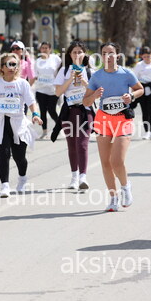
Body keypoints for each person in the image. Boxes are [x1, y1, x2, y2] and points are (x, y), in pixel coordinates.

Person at [83, 42, 144, 212]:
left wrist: (131, 96)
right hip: (103, 120)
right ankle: (113, 198)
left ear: (117, 55)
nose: (107, 56)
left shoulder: (126, 73)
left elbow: (140, 89)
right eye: (104, 53)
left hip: (123, 119)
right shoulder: (96, 76)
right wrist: (95, 95)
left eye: (111, 53)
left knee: (117, 161)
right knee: (105, 163)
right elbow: (86, 101)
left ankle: (125, 187)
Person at [0, 54, 43, 198]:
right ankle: (5, 186)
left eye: (15, 65)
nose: (12, 67)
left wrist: (35, 114)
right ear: (2, 68)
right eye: (9, 64)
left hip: (18, 123)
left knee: (19, 157)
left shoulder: (23, 84)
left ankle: (22, 178)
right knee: (3, 154)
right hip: (1, 122)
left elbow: (31, 101)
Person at [52, 40, 96, 189]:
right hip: (69, 111)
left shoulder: (89, 71)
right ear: (70, 55)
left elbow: (95, 91)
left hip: (85, 111)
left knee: (82, 144)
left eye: (80, 52)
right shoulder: (64, 71)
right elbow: (58, 92)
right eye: (74, 52)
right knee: (72, 145)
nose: (77, 55)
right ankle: (74, 177)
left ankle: (83, 177)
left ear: (85, 54)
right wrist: (70, 78)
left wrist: (83, 80)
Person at [33, 41, 62, 139]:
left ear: (50, 49)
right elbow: (35, 75)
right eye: (43, 48)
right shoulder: (37, 61)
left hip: (53, 90)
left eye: (46, 48)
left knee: (52, 110)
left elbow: (61, 70)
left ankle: (59, 125)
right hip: (41, 90)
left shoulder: (55, 59)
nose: (44, 50)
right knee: (42, 111)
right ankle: (44, 132)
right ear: (40, 49)